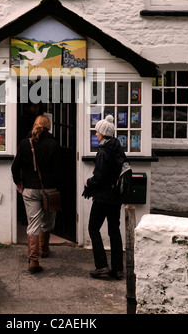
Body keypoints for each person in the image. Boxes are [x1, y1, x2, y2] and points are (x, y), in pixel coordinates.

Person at [11, 115, 61, 273]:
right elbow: (59, 169)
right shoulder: (53, 144)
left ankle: (33, 260)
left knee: (33, 224)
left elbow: (15, 166)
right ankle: (44, 249)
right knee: (48, 221)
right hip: (49, 190)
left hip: (30, 189)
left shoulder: (26, 143)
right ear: (49, 127)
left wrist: (18, 182)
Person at [84, 115, 126, 280]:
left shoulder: (103, 152)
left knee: (93, 229)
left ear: (103, 133)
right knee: (114, 231)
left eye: (97, 132)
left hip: (103, 198)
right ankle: (117, 268)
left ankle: (101, 265)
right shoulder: (118, 149)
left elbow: (99, 177)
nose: (96, 135)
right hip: (116, 197)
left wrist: (88, 182)